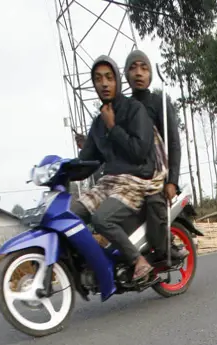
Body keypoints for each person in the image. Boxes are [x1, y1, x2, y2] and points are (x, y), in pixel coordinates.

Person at [72, 55, 165, 282]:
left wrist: (113, 127)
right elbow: (87, 163)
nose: (104, 83)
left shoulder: (134, 109)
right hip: (110, 182)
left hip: (137, 178)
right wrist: (62, 171)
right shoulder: (97, 122)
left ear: (117, 81)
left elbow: (139, 151)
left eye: (109, 78)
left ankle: (137, 261)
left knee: (102, 219)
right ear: (93, 84)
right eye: (98, 79)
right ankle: (86, 265)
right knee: (70, 214)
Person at [124, 49, 182, 268]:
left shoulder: (159, 103)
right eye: (133, 68)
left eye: (144, 68)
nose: (139, 73)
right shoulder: (123, 108)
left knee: (153, 202)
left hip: (156, 175)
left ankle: (165, 250)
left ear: (150, 75)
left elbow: (174, 143)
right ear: (127, 75)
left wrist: (172, 181)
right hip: (130, 177)